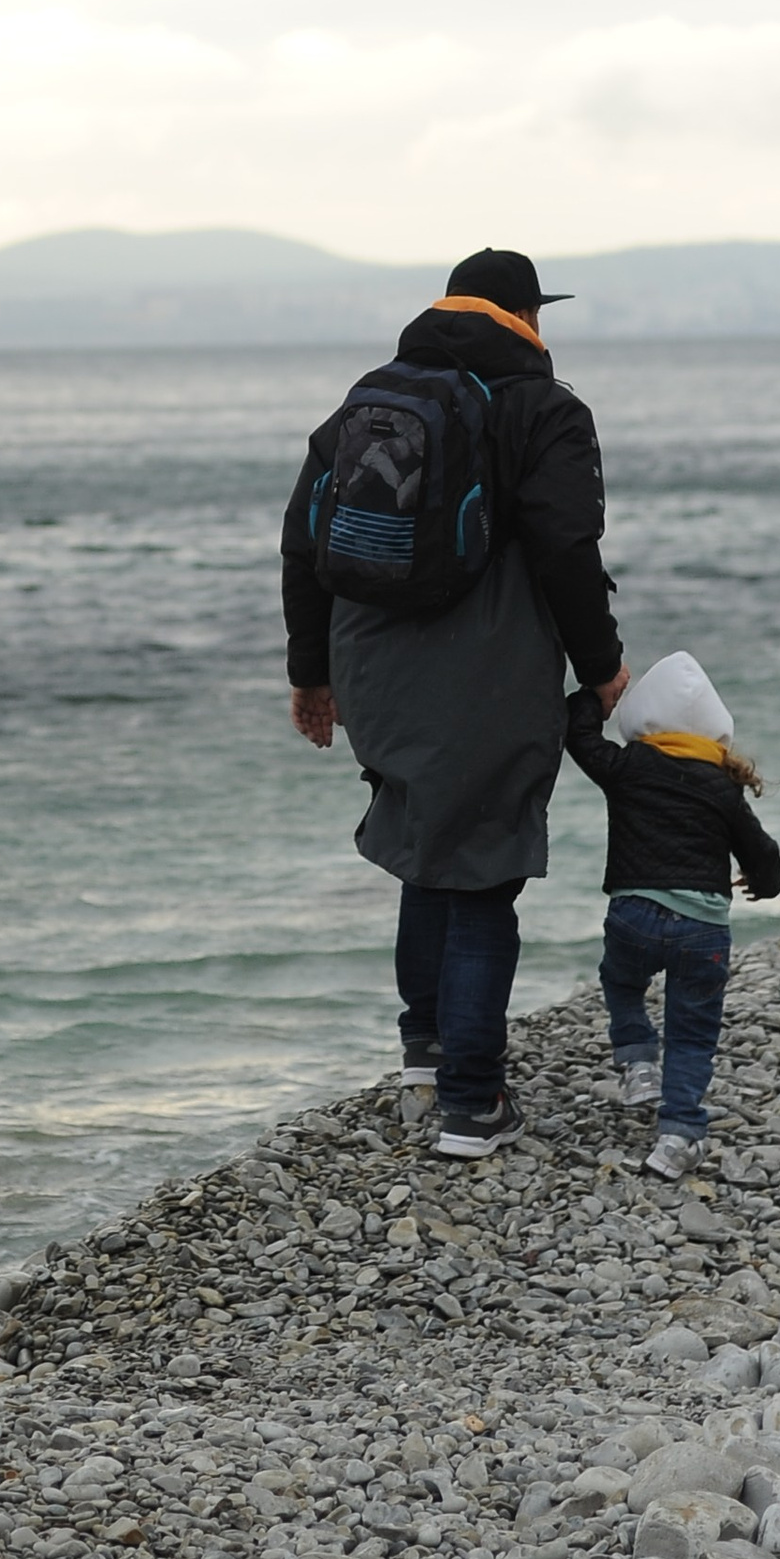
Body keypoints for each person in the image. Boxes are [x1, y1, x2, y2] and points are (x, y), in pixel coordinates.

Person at [281, 246, 628, 1159]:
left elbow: (301, 540)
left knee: (424, 840)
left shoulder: (370, 403)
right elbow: (566, 551)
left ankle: (425, 1053)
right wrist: (606, 670)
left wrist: (310, 672)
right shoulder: (546, 410)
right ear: (528, 317)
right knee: (481, 868)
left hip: (372, 664)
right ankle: (474, 1105)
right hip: (484, 668)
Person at [565, 649, 780, 1179]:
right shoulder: (723, 787)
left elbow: (579, 738)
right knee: (692, 1032)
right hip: (703, 931)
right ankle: (678, 1136)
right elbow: (765, 858)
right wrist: (762, 886)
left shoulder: (629, 766)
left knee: (619, 980)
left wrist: (596, 695)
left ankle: (638, 1062)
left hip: (634, 916)